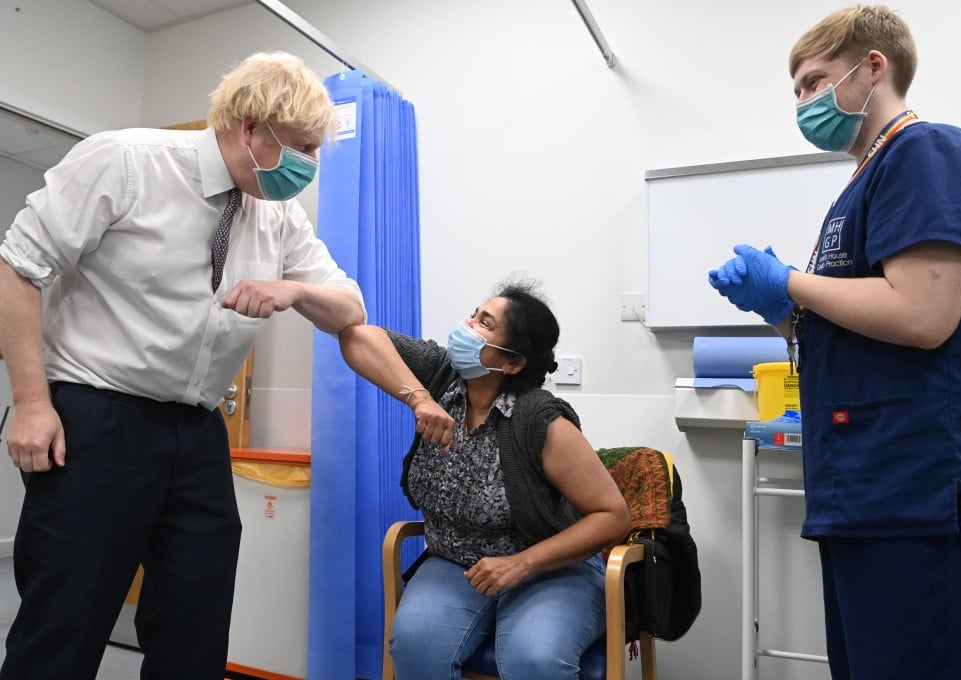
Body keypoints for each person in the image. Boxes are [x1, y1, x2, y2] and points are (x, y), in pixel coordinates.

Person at [0, 51, 366, 680]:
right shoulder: (124, 160)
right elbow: (16, 270)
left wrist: (296, 291)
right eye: (302, 147)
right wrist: (32, 403)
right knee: (64, 626)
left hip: (196, 434)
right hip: (95, 416)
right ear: (250, 126)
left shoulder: (275, 217)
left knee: (195, 629)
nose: (308, 166)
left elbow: (348, 306)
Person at [707, 6, 961, 679]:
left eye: (815, 81)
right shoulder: (864, 180)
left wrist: (790, 281)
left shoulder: (927, 152)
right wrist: (780, 311)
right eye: (796, 90)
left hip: (922, 490)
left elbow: (924, 313)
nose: (804, 102)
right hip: (869, 489)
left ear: (872, 66)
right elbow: (860, 323)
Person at [338, 279, 630, 680]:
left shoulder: (540, 421)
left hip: (549, 568)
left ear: (512, 363)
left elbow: (612, 516)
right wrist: (419, 399)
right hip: (455, 564)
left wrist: (521, 563)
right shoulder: (441, 378)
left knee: (534, 659)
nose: (466, 325)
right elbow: (358, 336)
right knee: (414, 647)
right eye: (474, 314)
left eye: (484, 324)